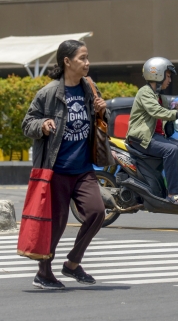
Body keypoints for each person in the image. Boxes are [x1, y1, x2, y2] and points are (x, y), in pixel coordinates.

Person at [22, 40, 107, 290]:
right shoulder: (48, 93)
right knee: (56, 223)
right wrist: (43, 125)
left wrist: (102, 111)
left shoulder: (90, 88)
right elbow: (28, 123)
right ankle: (44, 272)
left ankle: (72, 263)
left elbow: (100, 123)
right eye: (82, 58)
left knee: (97, 212)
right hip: (56, 169)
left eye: (87, 57)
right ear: (67, 61)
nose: (87, 63)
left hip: (83, 168)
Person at [126, 57, 178, 205]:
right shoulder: (145, 92)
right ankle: (173, 193)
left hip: (156, 137)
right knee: (171, 150)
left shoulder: (160, 97)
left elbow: (163, 113)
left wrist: (177, 109)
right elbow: (155, 111)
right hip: (142, 138)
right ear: (157, 74)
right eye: (168, 76)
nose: (169, 80)